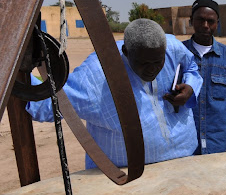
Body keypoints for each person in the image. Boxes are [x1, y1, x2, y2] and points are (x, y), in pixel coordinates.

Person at [27, 19, 203, 169]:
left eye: (158, 62)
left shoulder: (172, 47)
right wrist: (20, 72)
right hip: (122, 177)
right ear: (126, 52)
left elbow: (191, 67)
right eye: (143, 63)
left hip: (183, 162)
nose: (152, 69)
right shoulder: (96, 74)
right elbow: (48, 104)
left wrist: (190, 87)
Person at [183, 0, 226, 153]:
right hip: (186, 141)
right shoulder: (179, 52)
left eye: (210, 21)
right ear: (191, 21)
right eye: (200, 20)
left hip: (218, 141)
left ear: (217, 23)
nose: (205, 26)